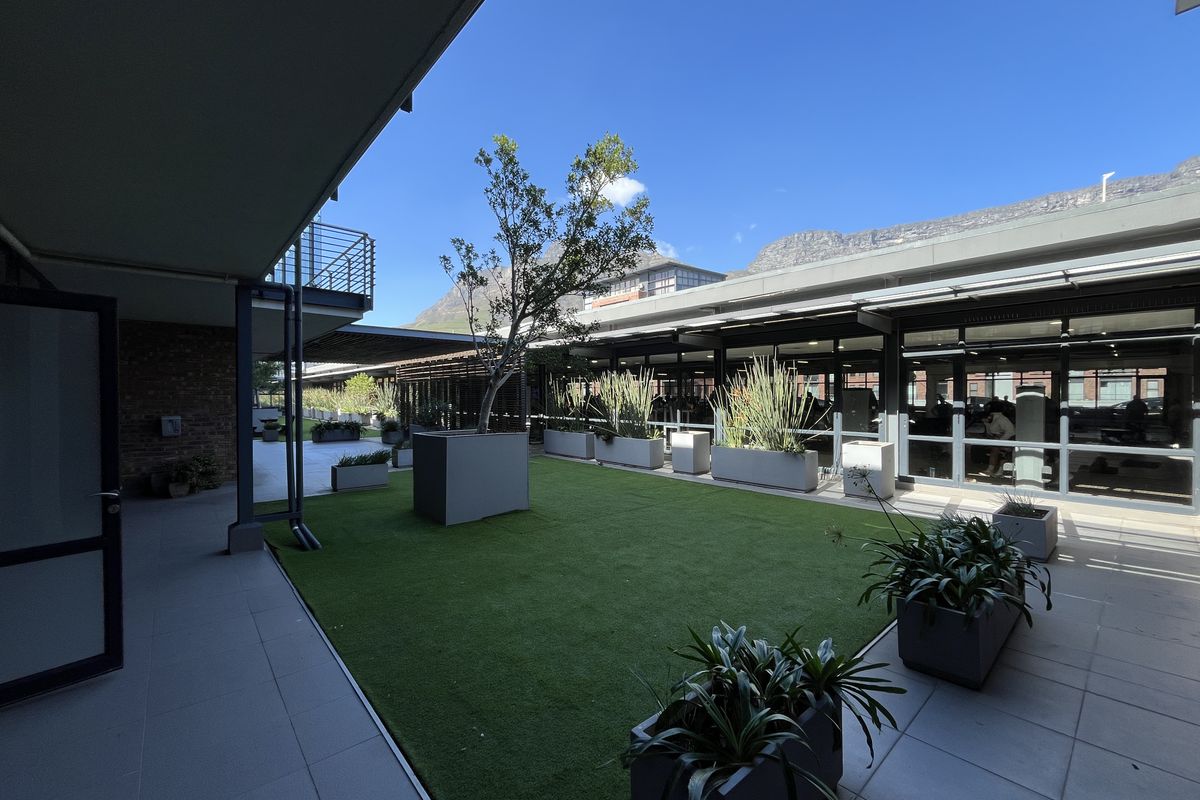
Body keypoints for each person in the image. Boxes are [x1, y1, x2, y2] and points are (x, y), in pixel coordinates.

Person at [982, 400, 1015, 477]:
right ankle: (992, 469)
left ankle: (991, 469)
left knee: (995, 448)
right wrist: (986, 423)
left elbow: (1010, 432)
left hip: (1010, 439)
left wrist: (1000, 441)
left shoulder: (1001, 419)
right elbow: (991, 432)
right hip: (999, 439)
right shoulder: (994, 418)